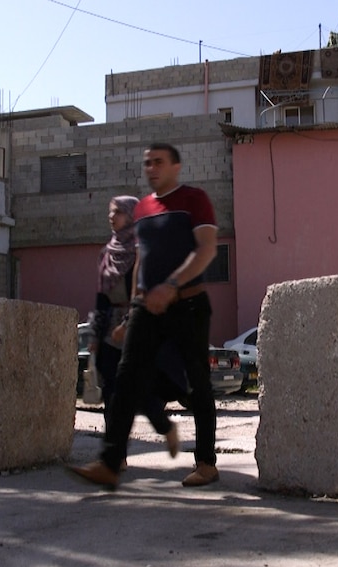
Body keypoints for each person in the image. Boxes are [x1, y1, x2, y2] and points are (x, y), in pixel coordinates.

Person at [69, 143, 219, 489]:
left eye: (159, 162)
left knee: (197, 383)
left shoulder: (194, 199)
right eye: (147, 163)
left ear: (176, 166)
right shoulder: (144, 209)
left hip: (188, 304)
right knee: (125, 378)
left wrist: (172, 285)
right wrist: (132, 308)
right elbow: (142, 261)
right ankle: (109, 462)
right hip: (146, 308)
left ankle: (206, 463)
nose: (151, 168)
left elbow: (207, 249)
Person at [88, 196, 177, 462]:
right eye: (110, 212)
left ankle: (165, 426)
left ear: (130, 214)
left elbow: (146, 292)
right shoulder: (107, 253)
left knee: (138, 389)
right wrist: (95, 335)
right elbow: (101, 298)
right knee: (111, 393)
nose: (111, 217)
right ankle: (116, 455)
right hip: (108, 332)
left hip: (137, 324)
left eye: (117, 212)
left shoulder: (142, 250)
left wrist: (129, 324)